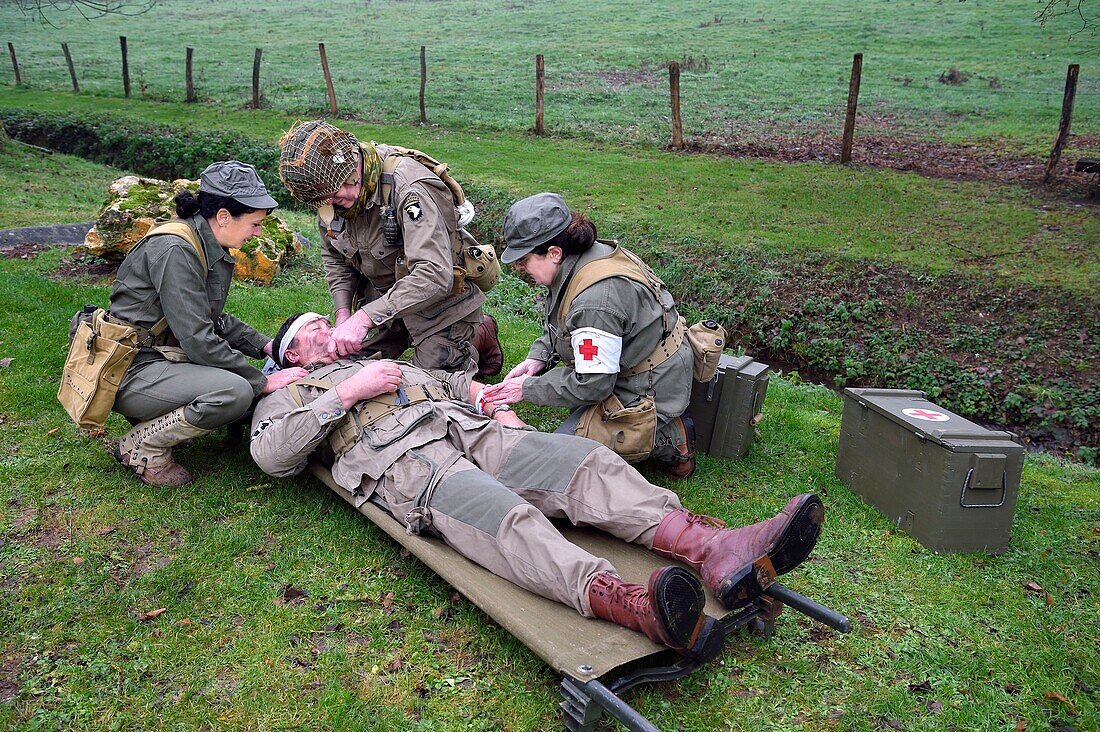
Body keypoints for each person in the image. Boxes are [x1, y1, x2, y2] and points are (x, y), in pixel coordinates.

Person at [249, 313, 825, 653]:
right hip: (407, 465)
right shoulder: (286, 394)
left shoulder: (376, 363)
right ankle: (631, 605)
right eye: (312, 329)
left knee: (581, 461)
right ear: (289, 353)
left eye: (326, 321)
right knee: (504, 517)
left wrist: (488, 398)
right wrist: (346, 393)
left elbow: (448, 384)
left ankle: (714, 548)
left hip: (468, 431)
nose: (326, 328)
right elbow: (273, 456)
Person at [109, 161, 308, 487]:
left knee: (235, 383)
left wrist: (265, 346)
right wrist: (261, 381)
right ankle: (143, 446)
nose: (258, 232)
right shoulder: (177, 250)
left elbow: (208, 317)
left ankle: (164, 419)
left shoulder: (203, 243)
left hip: (159, 358)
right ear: (224, 216)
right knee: (234, 392)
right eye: (255, 224)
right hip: (129, 370)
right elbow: (198, 338)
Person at [482, 193, 697, 478]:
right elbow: (566, 321)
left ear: (554, 252)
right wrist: (539, 358)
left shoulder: (595, 300)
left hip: (647, 384)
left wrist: (528, 389)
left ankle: (670, 437)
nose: (519, 268)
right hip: (627, 363)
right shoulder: (581, 259)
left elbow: (594, 385)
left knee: (561, 462)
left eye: (524, 259)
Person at [276, 120, 503, 378]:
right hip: (386, 303)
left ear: (352, 169)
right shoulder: (329, 193)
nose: (330, 204)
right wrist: (343, 317)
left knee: (429, 384)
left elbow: (434, 274)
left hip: (440, 304)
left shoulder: (409, 188)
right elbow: (336, 259)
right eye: (324, 200)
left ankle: (479, 335)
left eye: (336, 195)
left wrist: (363, 320)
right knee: (345, 369)